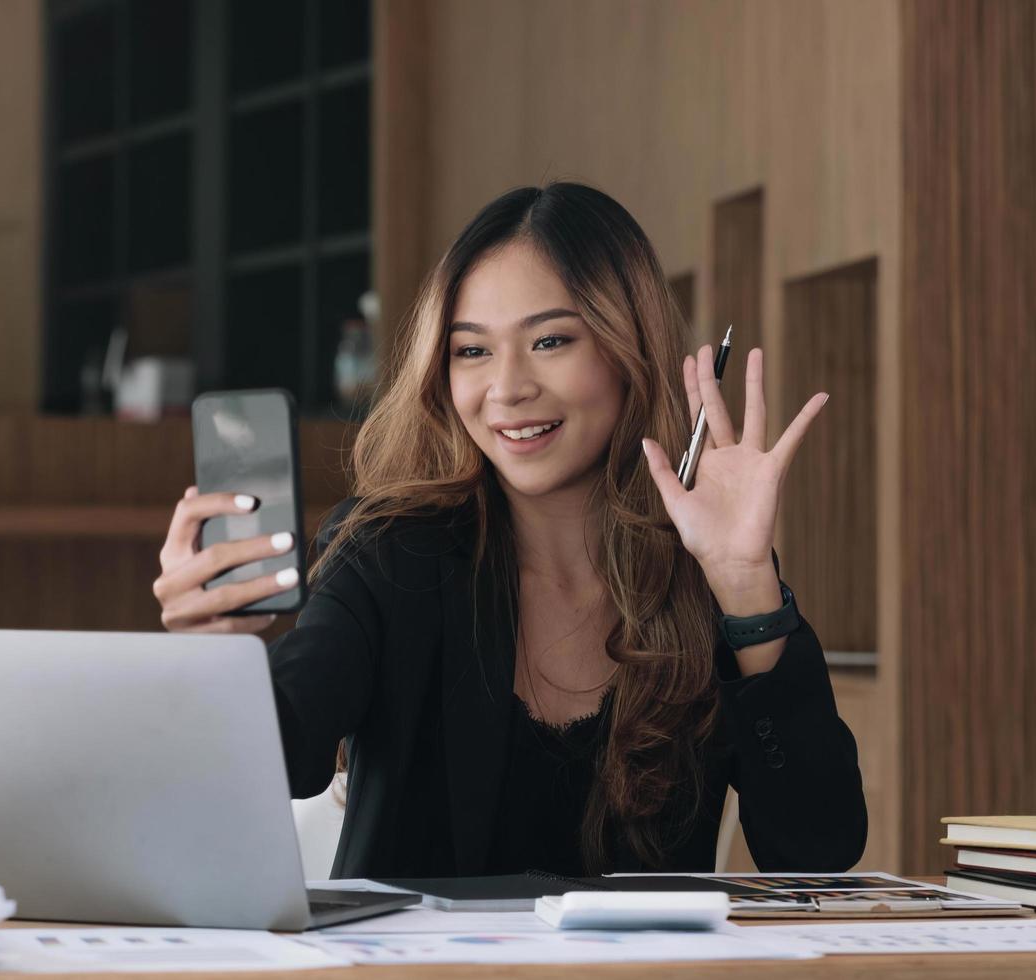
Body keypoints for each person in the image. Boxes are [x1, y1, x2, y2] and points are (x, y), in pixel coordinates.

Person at [151, 181, 866, 878]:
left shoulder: (701, 570)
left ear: (629, 349)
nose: (506, 388)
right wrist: (213, 662)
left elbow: (817, 846)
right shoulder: (387, 551)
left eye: (550, 340)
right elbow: (281, 755)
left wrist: (745, 588)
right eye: (471, 351)